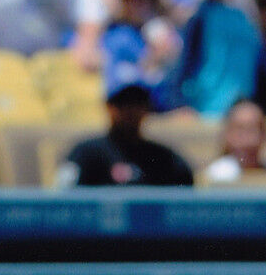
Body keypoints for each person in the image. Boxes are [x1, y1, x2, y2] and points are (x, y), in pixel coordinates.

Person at [62, 66, 195, 188]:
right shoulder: (86, 155)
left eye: (138, 102)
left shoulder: (165, 160)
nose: (130, 111)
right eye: (123, 103)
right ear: (109, 106)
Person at [172, 0, 260, 118]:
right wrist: (180, 103)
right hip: (206, 111)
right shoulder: (198, 18)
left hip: (241, 111)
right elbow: (184, 64)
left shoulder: (244, 17)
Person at [202, 99, 266, 185]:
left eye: (254, 129)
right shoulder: (215, 177)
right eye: (240, 130)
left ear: (265, 135)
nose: (247, 140)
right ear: (226, 135)